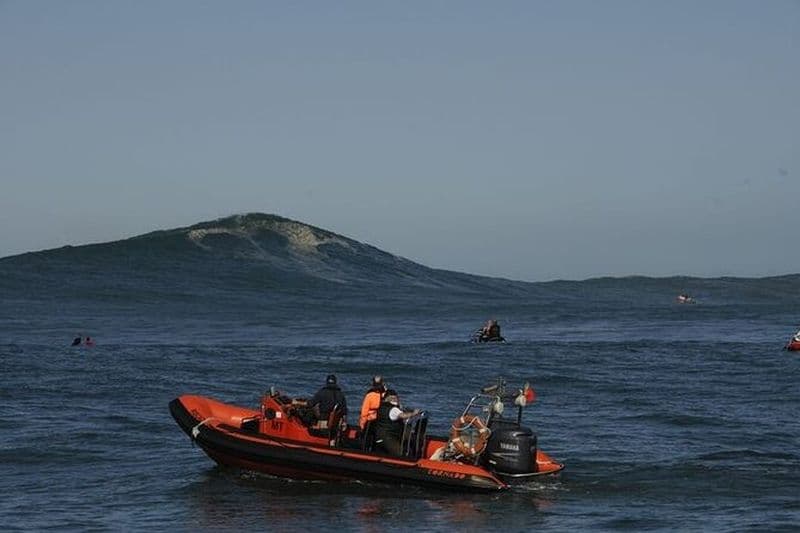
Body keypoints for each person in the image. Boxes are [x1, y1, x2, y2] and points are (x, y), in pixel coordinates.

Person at [373, 389, 420, 456]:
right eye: (393, 398)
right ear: (388, 398)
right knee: (400, 453)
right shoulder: (393, 409)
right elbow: (403, 415)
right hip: (388, 437)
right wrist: (414, 413)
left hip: (381, 435)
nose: (395, 399)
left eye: (395, 398)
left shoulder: (381, 407)